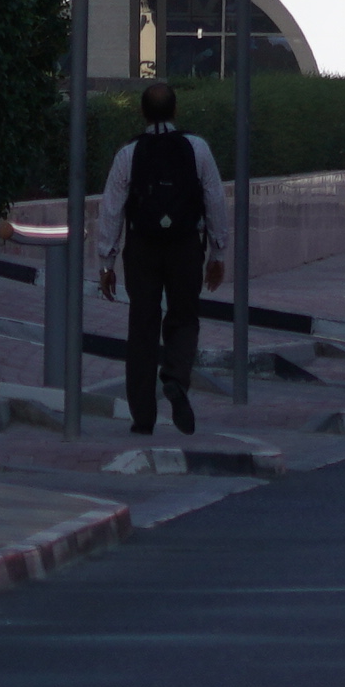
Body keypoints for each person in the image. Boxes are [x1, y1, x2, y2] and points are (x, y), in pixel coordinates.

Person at [95, 79, 223, 437]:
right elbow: (214, 200)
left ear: (142, 113)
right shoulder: (197, 148)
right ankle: (176, 378)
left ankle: (143, 418)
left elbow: (110, 209)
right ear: (176, 110)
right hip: (185, 245)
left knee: (142, 327)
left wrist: (106, 262)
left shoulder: (128, 154)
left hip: (142, 247)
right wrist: (218, 252)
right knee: (184, 317)